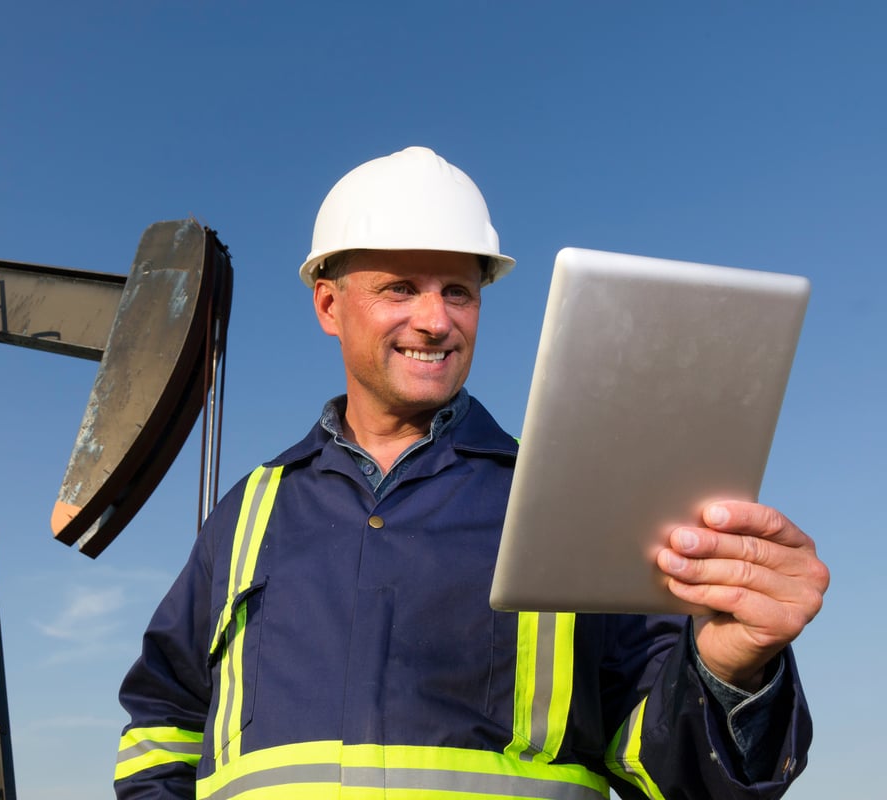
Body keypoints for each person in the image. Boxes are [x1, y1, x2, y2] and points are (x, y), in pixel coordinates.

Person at [112, 146, 828, 799]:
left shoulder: (569, 500)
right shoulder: (249, 512)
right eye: (399, 288)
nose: (436, 321)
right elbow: (162, 727)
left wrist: (734, 671)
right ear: (329, 306)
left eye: (459, 292)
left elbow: (668, 770)